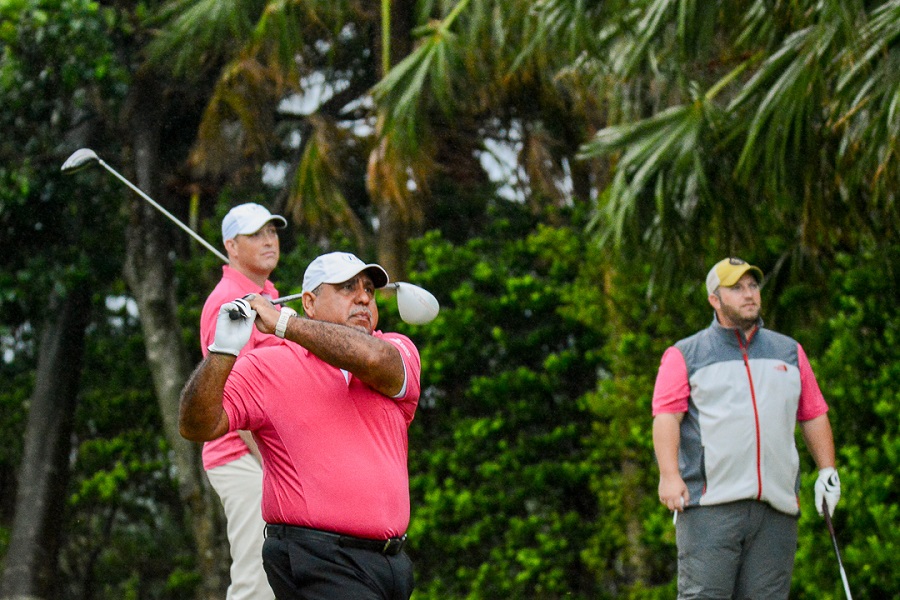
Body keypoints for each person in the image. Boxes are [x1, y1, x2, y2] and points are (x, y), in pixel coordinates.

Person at [180, 251, 421, 600]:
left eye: (369, 289)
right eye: (347, 287)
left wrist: (283, 324)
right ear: (309, 302)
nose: (363, 298)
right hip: (316, 557)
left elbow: (370, 358)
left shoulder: (396, 350)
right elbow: (197, 425)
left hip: (391, 564)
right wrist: (222, 351)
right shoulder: (267, 366)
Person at [651, 257, 842, 599]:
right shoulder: (686, 354)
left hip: (776, 508)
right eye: (736, 288)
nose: (749, 294)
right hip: (710, 507)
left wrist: (828, 471)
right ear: (714, 299)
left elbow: (813, 413)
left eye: (753, 285)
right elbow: (667, 416)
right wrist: (669, 475)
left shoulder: (789, 352)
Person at [199, 202, 287, 600]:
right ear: (231, 247)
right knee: (257, 579)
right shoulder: (227, 303)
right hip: (242, 455)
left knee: (282, 576)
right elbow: (235, 396)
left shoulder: (268, 297)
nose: (269, 241)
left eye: (272, 231)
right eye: (255, 234)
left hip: (265, 455)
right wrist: (273, 464)